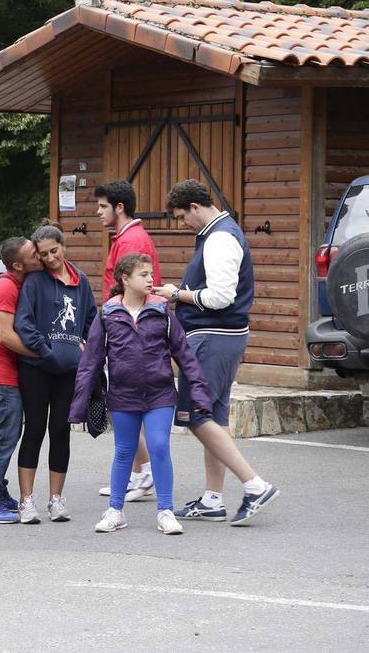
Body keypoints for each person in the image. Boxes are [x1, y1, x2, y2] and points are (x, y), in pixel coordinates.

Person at [155, 179, 280, 525]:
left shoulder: (220, 237)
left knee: (196, 415)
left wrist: (176, 293)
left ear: (196, 207)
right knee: (215, 418)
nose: (182, 224)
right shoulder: (221, 232)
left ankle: (255, 485)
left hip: (212, 336)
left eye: (182, 217)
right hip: (225, 337)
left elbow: (220, 297)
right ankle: (213, 499)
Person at [70, 253, 212, 535]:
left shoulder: (162, 311)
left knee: (159, 447)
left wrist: (199, 394)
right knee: (124, 451)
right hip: (122, 396)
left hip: (159, 395)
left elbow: (185, 356)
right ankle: (115, 511)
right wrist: (78, 406)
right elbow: (90, 363)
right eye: (143, 274)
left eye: (151, 274)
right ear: (125, 279)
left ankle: (165, 512)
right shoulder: (108, 314)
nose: (151, 279)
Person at [12, 223, 98, 525]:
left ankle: (56, 499)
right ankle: (26, 500)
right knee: (34, 429)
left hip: (69, 372)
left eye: (54, 251)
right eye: (43, 253)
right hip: (36, 369)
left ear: (63, 246)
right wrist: (45, 352)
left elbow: (91, 320)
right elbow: (23, 323)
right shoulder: (35, 281)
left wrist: (89, 351)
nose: (49, 258)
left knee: (61, 431)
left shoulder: (81, 281)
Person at [94, 179, 164, 502]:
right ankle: (137, 473)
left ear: (119, 207)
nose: (98, 213)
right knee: (124, 403)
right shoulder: (126, 237)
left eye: (103, 206)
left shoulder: (132, 239)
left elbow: (136, 288)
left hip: (128, 331)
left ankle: (144, 472)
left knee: (125, 403)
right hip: (123, 326)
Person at [0, 237, 42, 524]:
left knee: (8, 434)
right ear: (18, 264)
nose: (39, 256)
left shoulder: (16, 283)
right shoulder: (4, 287)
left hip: (6, 373)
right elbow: (5, 336)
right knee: (4, 436)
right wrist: (43, 355)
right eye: (32, 254)